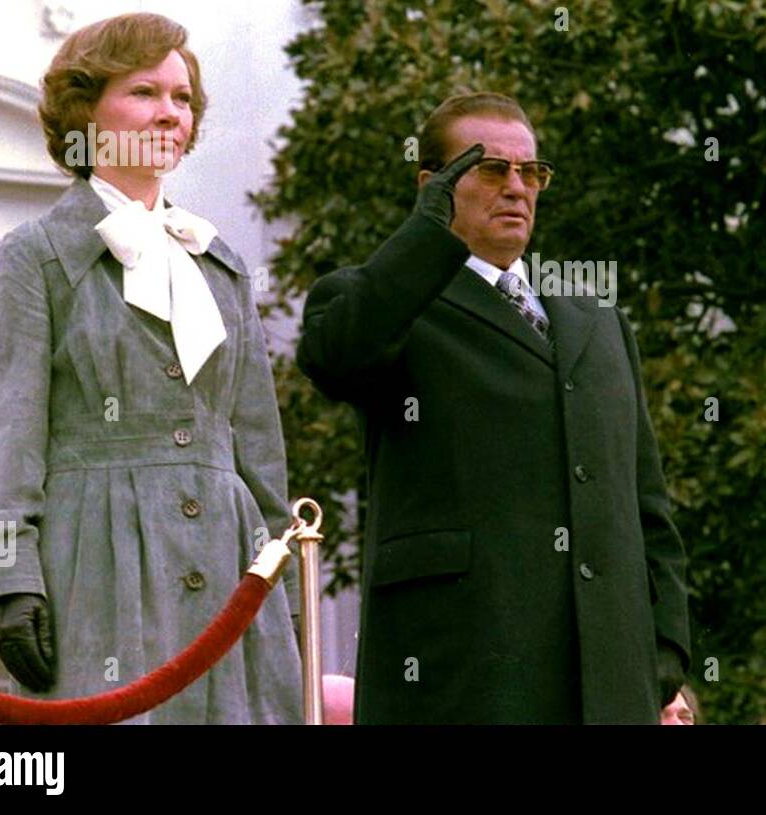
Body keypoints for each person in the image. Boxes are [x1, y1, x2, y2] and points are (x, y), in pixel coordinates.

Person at [296, 92, 691, 724]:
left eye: (531, 172)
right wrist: (426, 234)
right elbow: (334, 354)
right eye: (490, 168)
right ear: (434, 185)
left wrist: (664, 649)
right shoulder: (390, 300)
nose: (518, 187)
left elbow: (647, 505)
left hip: (610, 680)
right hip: (461, 674)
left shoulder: (598, 322)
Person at [0, 12, 301, 723]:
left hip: (231, 569)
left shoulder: (221, 263)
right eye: (145, 92)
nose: (170, 114)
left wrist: (284, 594)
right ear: (86, 110)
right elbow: (8, 436)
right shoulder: (37, 255)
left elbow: (260, 456)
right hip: (98, 560)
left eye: (183, 99)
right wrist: (9, 575)